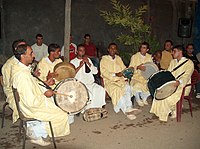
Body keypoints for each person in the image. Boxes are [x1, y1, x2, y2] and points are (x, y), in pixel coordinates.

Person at [11, 44, 70, 145]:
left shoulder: (22, 69)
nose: (33, 55)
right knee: (62, 115)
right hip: (31, 106)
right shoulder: (22, 76)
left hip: (33, 100)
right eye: (31, 53)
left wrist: (46, 84)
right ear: (23, 56)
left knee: (58, 106)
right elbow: (31, 101)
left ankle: (34, 126)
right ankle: (35, 132)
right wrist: (45, 94)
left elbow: (33, 86)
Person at [150, 45, 194, 122]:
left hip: (183, 86)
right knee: (159, 93)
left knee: (167, 97)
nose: (172, 53)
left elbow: (186, 76)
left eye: (174, 51)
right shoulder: (173, 62)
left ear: (180, 52)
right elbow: (169, 73)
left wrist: (179, 82)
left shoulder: (189, 63)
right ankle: (170, 108)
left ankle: (174, 109)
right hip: (172, 83)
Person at [100, 43, 142, 120]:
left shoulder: (118, 59)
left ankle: (129, 107)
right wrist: (116, 74)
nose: (113, 50)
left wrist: (127, 72)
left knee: (128, 87)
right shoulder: (104, 59)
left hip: (120, 80)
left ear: (116, 50)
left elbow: (124, 69)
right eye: (111, 48)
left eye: (114, 48)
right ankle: (126, 110)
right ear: (108, 49)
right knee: (117, 90)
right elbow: (104, 73)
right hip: (110, 81)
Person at [70, 44, 106, 110]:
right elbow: (72, 75)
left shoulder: (88, 59)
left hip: (90, 83)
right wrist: (80, 66)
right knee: (89, 94)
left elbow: (95, 72)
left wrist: (88, 63)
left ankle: (97, 108)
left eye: (83, 51)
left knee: (101, 90)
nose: (82, 52)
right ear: (77, 52)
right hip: (80, 84)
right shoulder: (73, 61)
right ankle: (88, 110)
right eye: (80, 50)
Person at [2, 39, 26, 123]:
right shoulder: (8, 65)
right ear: (16, 49)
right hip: (13, 91)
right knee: (25, 102)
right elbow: (8, 85)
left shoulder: (25, 62)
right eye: (22, 47)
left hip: (25, 88)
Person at [129, 42, 152, 107]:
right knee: (136, 85)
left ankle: (144, 98)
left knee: (151, 85)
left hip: (146, 77)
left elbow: (151, 67)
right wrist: (137, 67)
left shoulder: (149, 57)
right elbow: (130, 68)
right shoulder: (134, 57)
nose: (142, 49)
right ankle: (138, 99)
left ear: (147, 50)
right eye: (141, 47)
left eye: (144, 48)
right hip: (136, 76)